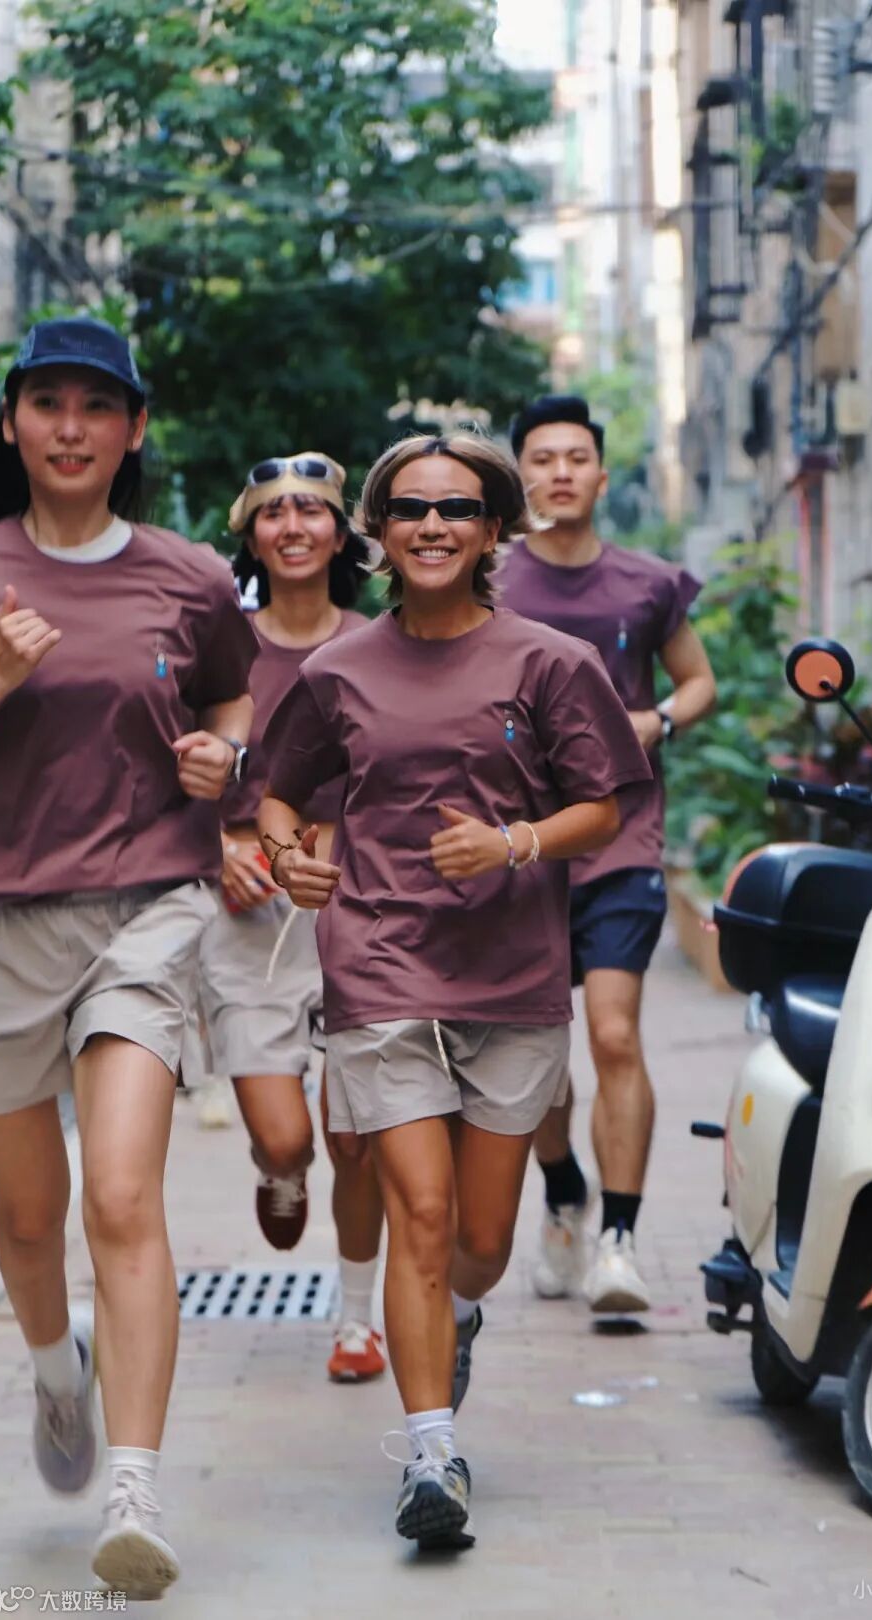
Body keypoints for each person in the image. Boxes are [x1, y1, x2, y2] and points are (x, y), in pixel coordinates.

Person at [258, 431, 651, 1551]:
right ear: (379, 534)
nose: (433, 526)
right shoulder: (336, 672)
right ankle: (431, 1457)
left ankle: (462, 1314)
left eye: (458, 509)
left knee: (479, 1239)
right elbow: (280, 796)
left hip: (512, 977)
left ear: (492, 532)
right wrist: (288, 858)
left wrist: (515, 843)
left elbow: (604, 807)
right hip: (380, 964)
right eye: (411, 509)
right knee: (419, 1217)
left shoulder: (550, 662)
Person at [0, 317, 257, 1597]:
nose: (72, 427)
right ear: (12, 424)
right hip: (1, 918)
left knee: (121, 1197)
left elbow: (232, 694)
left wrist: (226, 757)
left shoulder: (188, 577)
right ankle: (58, 1373)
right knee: (26, 1218)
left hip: (148, 908)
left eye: (98, 406)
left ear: (134, 429)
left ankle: (135, 1491)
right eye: (48, 402)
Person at [503, 395, 716, 1314]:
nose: (560, 472)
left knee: (615, 1033)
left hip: (622, 838)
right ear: (519, 474)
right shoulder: (487, 579)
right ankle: (563, 1191)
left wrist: (657, 718)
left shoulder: (646, 583)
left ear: (600, 473)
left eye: (576, 457)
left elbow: (698, 680)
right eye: (542, 458)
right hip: (519, 848)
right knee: (533, 1054)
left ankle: (619, 1243)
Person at [197, 453, 385, 1381]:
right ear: (251, 533)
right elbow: (152, 768)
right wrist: (217, 848)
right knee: (289, 1136)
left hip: (361, 911)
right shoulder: (217, 646)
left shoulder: (384, 643)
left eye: (314, 510)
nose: (295, 526)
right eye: (276, 512)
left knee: (358, 1135)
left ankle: (356, 1320)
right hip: (247, 915)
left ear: (342, 533)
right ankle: (280, 1168)